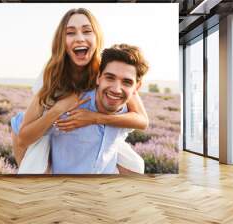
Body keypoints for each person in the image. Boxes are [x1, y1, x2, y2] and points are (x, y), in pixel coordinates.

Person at [10, 8, 148, 173]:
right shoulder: (54, 74)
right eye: (70, 33)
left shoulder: (107, 71)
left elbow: (141, 120)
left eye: (87, 31)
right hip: (52, 129)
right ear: (62, 40)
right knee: (32, 166)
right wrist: (60, 108)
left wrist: (94, 118)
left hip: (99, 132)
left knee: (136, 166)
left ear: (97, 37)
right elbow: (23, 135)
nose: (80, 38)